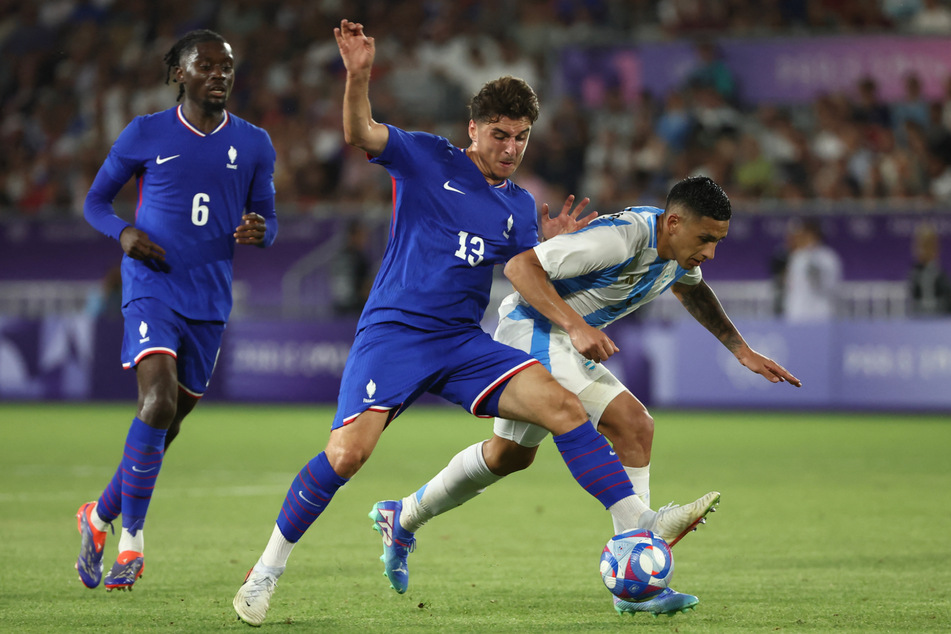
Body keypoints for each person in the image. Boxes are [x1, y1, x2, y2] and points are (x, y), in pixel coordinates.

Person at [232, 20, 721, 626]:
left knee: (563, 408)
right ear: (473, 130)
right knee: (347, 457)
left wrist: (553, 256)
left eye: (520, 137)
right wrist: (358, 77)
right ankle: (265, 571)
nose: (510, 148)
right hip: (395, 333)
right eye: (499, 134)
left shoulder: (516, 205)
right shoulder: (425, 157)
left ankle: (637, 530)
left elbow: (522, 268)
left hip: (462, 343)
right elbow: (361, 130)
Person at [372, 175, 802, 614]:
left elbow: (692, 287)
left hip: (562, 340)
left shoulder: (677, 251)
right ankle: (641, 544)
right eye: (706, 238)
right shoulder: (622, 237)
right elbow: (520, 269)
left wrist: (740, 349)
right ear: (673, 222)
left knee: (510, 456)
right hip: (534, 331)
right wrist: (577, 326)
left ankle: (402, 517)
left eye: (718, 242)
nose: (710, 252)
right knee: (627, 422)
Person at [75, 29, 278, 592]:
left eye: (228, 66)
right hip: (152, 288)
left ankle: (95, 516)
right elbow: (95, 201)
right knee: (158, 400)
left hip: (210, 301)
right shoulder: (146, 133)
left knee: (165, 426)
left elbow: (269, 219)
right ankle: (131, 541)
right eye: (207, 65)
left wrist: (261, 231)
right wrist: (123, 234)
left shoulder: (256, 144)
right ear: (180, 74)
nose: (220, 74)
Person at [782, 218, 843, 323]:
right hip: (796, 314)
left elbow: (826, 284)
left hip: (819, 314)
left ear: (811, 236)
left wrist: (810, 256)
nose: (797, 239)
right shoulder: (797, 257)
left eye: (801, 235)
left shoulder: (827, 257)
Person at [908, 222, 951, 316]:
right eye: (922, 245)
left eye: (929, 245)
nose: (924, 250)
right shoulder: (914, 274)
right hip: (918, 322)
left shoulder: (941, 275)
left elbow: (947, 302)